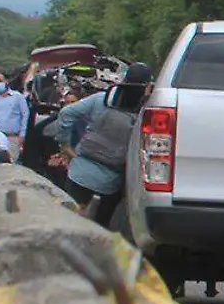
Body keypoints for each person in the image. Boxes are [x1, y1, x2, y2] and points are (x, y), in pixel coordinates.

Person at [57, 63, 154, 228]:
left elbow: (66, 113)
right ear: (148, 86)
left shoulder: (103, 98)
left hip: (79, 173)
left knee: (67, 224)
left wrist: (65, 146)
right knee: (98, 230)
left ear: (124, 79)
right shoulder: (145, 111)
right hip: (108, 185)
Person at [0, 71, 29, 160]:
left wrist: (22, 135)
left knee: (10, 163)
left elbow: (25, 116)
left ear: (6, 81)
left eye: (0, 81)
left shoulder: (18, 97)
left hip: (11, 137)